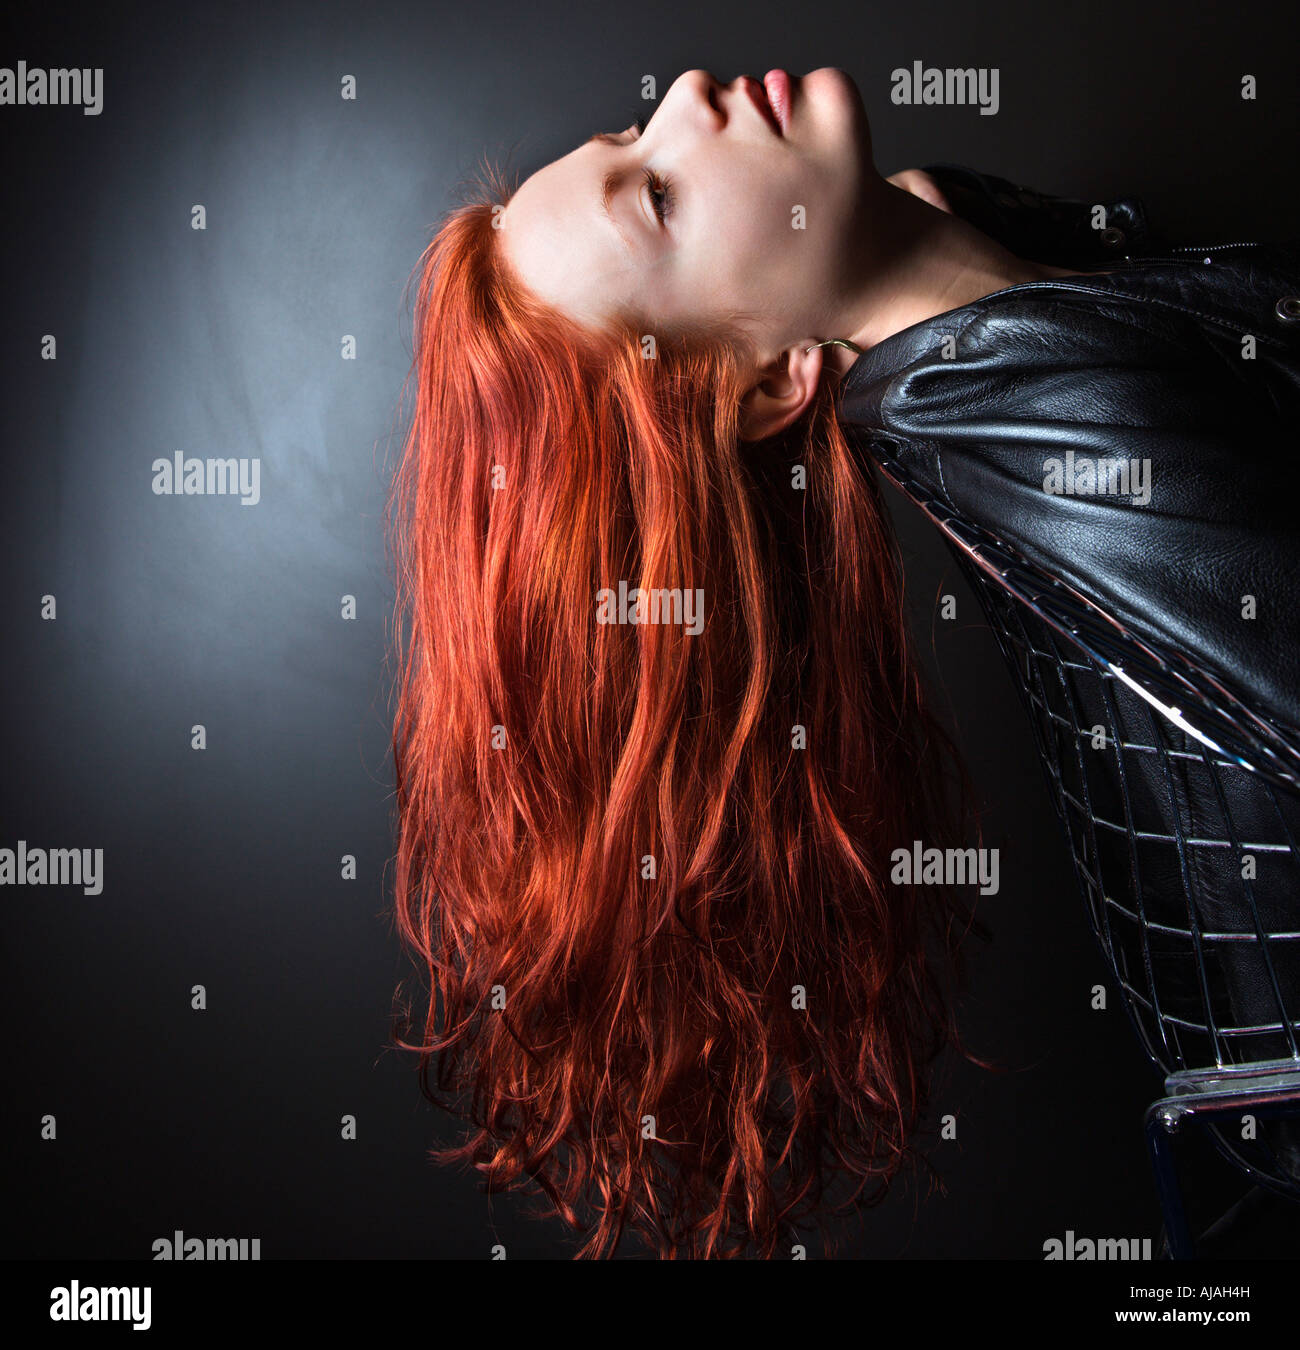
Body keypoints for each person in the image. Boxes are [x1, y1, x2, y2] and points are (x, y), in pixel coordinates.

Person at [388, 66, 1300, 1257]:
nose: (684, 103)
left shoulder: (1000, 364)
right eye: (658, 195)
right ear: (772, 381)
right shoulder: (1091, 441)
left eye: (626, 129)